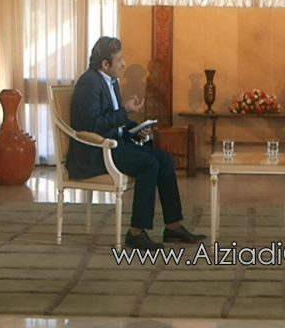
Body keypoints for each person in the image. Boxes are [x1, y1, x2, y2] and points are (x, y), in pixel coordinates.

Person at [67, 36, 206, 250]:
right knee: (148, 164)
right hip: (95, 152)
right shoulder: (89, 83)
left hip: (113, 143)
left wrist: (135, 129)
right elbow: (93, 125)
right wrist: (125, 112)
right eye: (119, 60)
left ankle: (173, 226)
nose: (124, 64)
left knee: (165, 160)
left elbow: (112, 120)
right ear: (105, 64)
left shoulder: (110, 81)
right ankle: (135, 232)